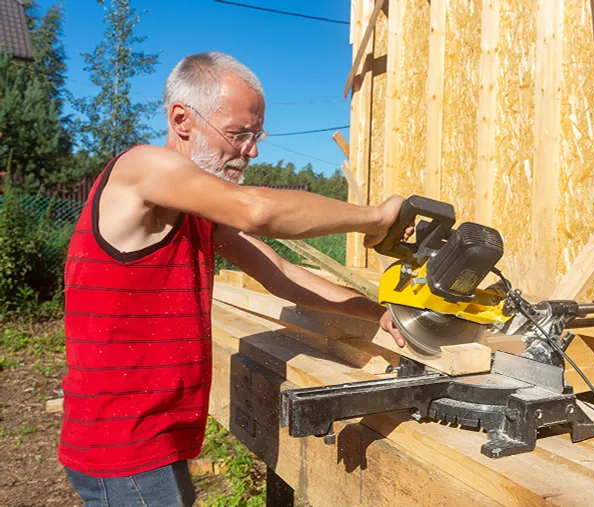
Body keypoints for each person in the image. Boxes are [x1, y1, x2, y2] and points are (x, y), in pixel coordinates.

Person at [60, 51, 409, 506]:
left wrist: (378, 313)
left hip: (152, 439)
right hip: (124, 445)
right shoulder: (142, 168)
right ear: (182, 119)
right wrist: (376, 218)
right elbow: (257, 210)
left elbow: (282, 274)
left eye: (256, 134)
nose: (252, 150)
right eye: (238, 134)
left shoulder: (196, 214)